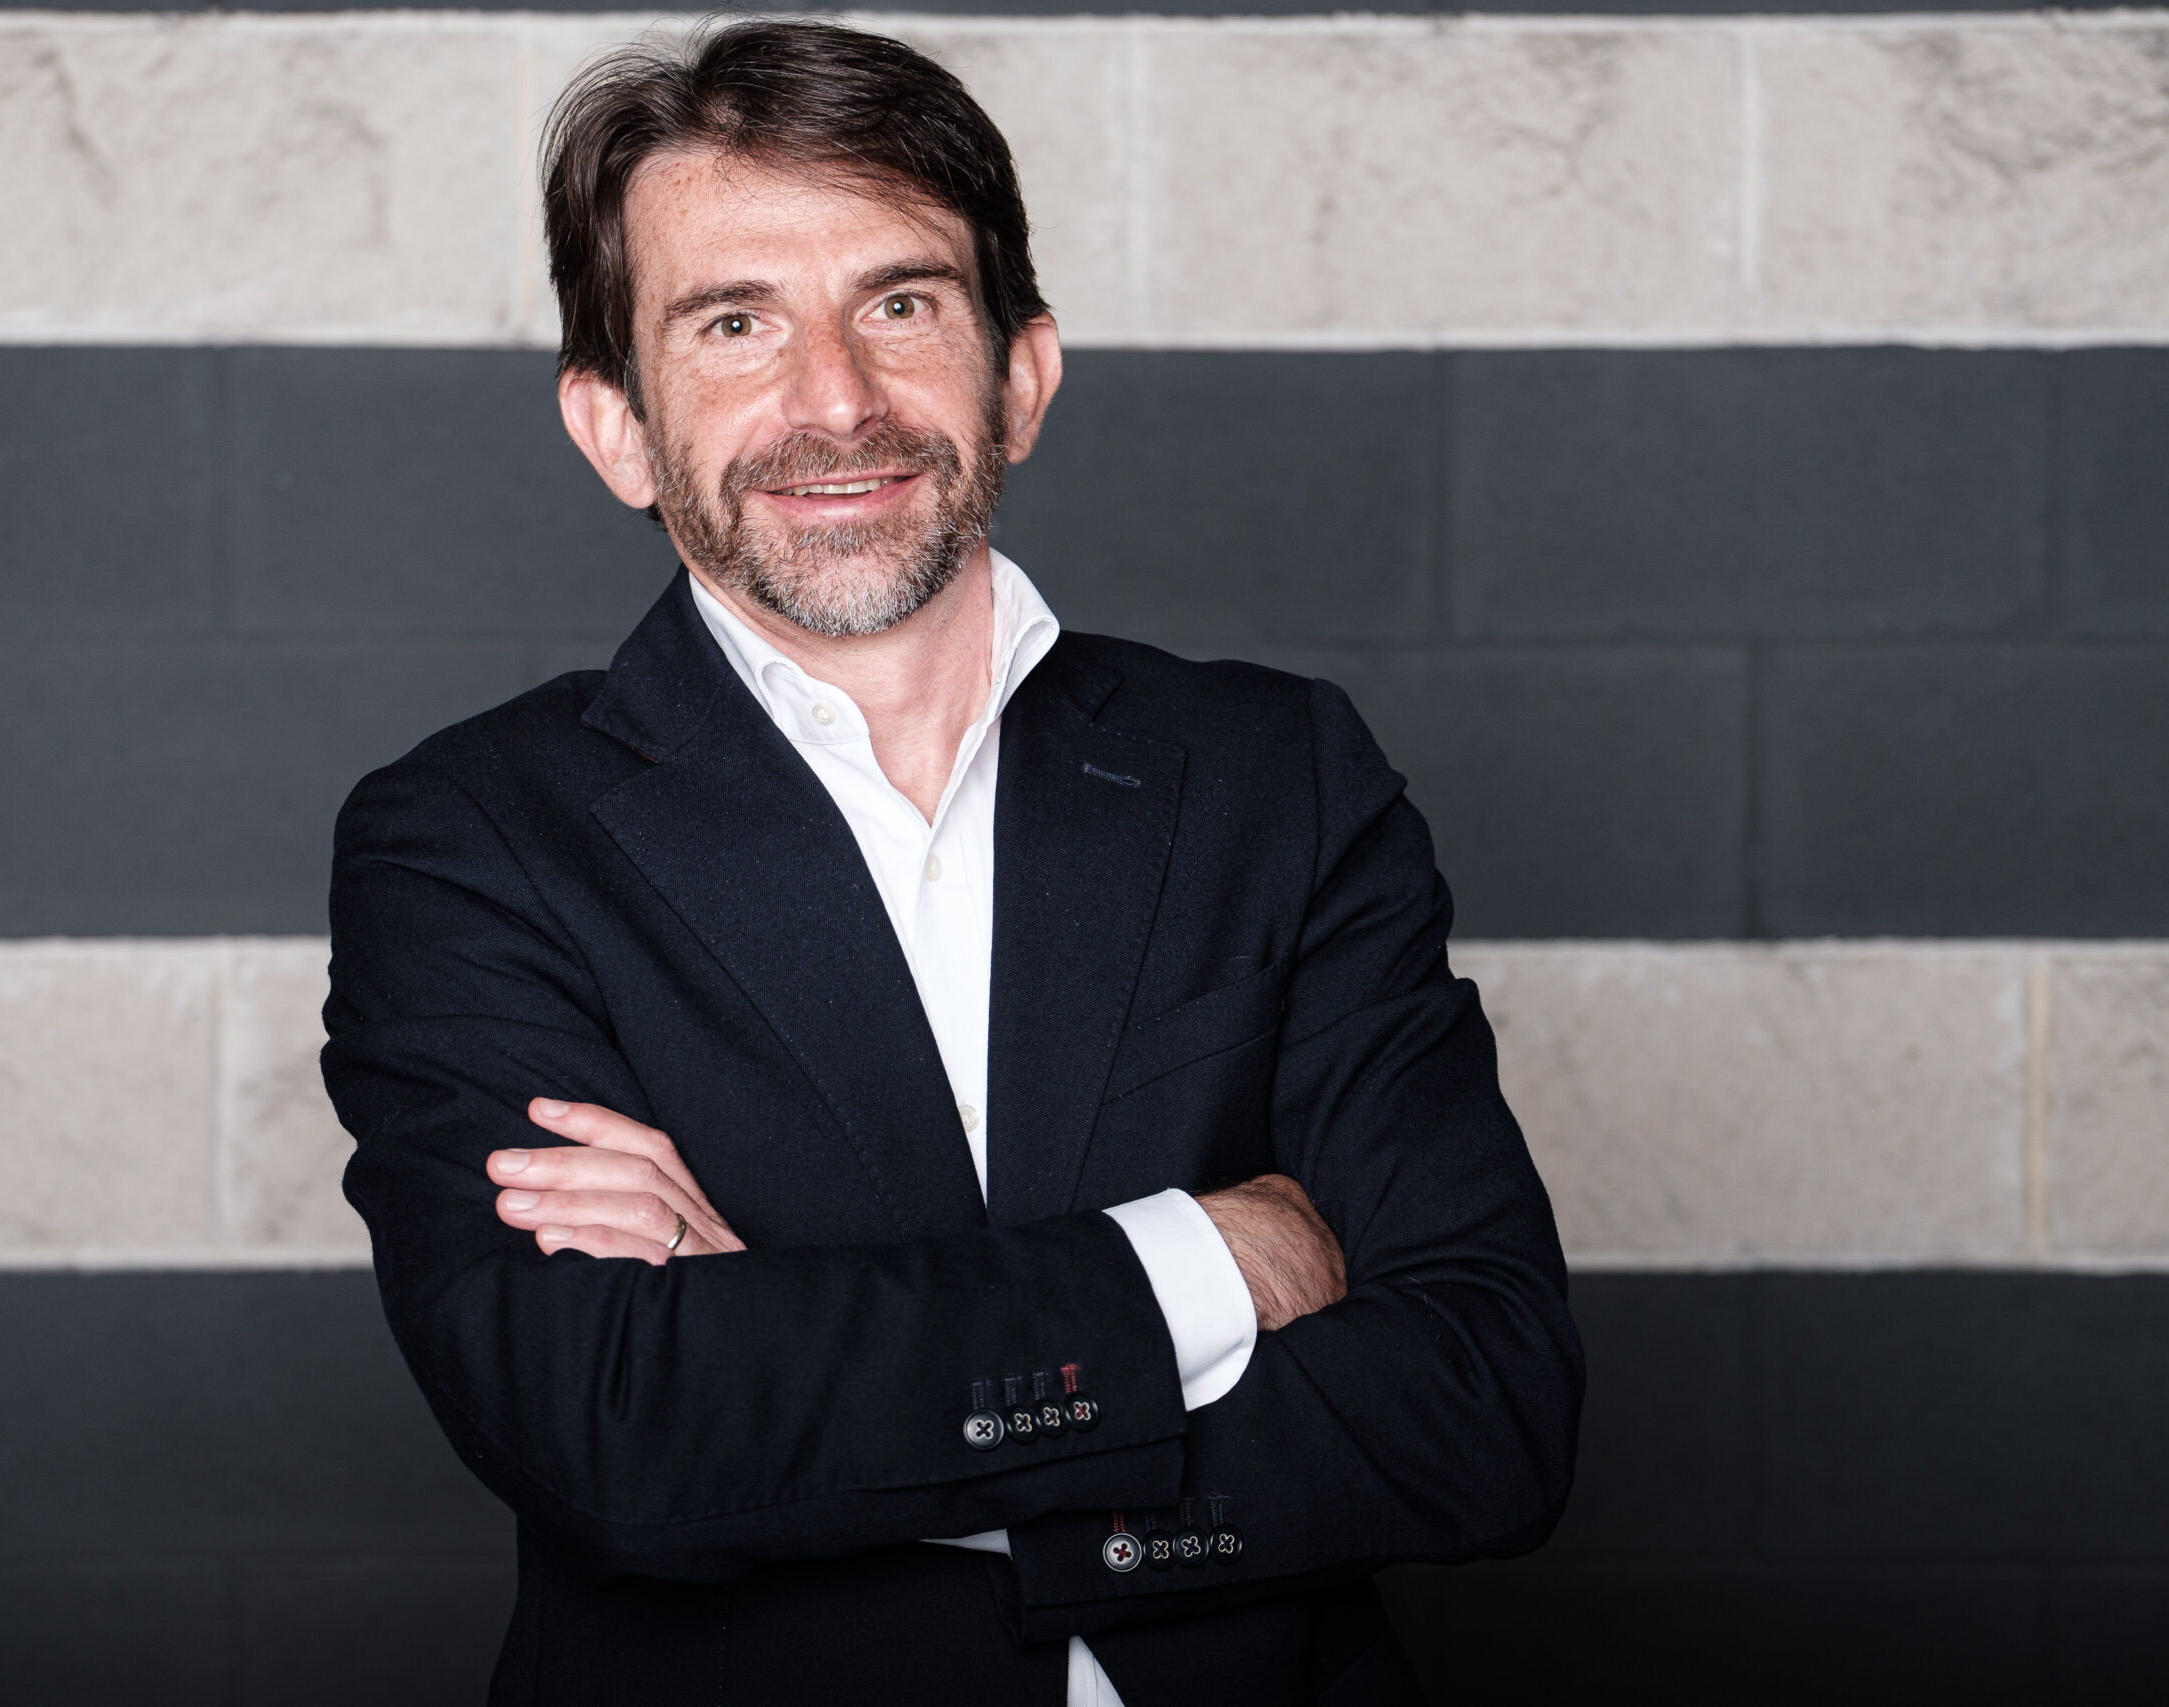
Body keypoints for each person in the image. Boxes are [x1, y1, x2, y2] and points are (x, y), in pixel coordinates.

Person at [321, 20, 1582, 1704]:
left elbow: (1489, 1404)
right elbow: (624, 1438)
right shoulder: (472, 843)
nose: (835, 398)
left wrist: (824, 1387)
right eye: (734, 323)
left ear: (1022, 377)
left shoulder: (1276, 775)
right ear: (616, 427)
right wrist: (1215, 1257)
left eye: (902, 304)